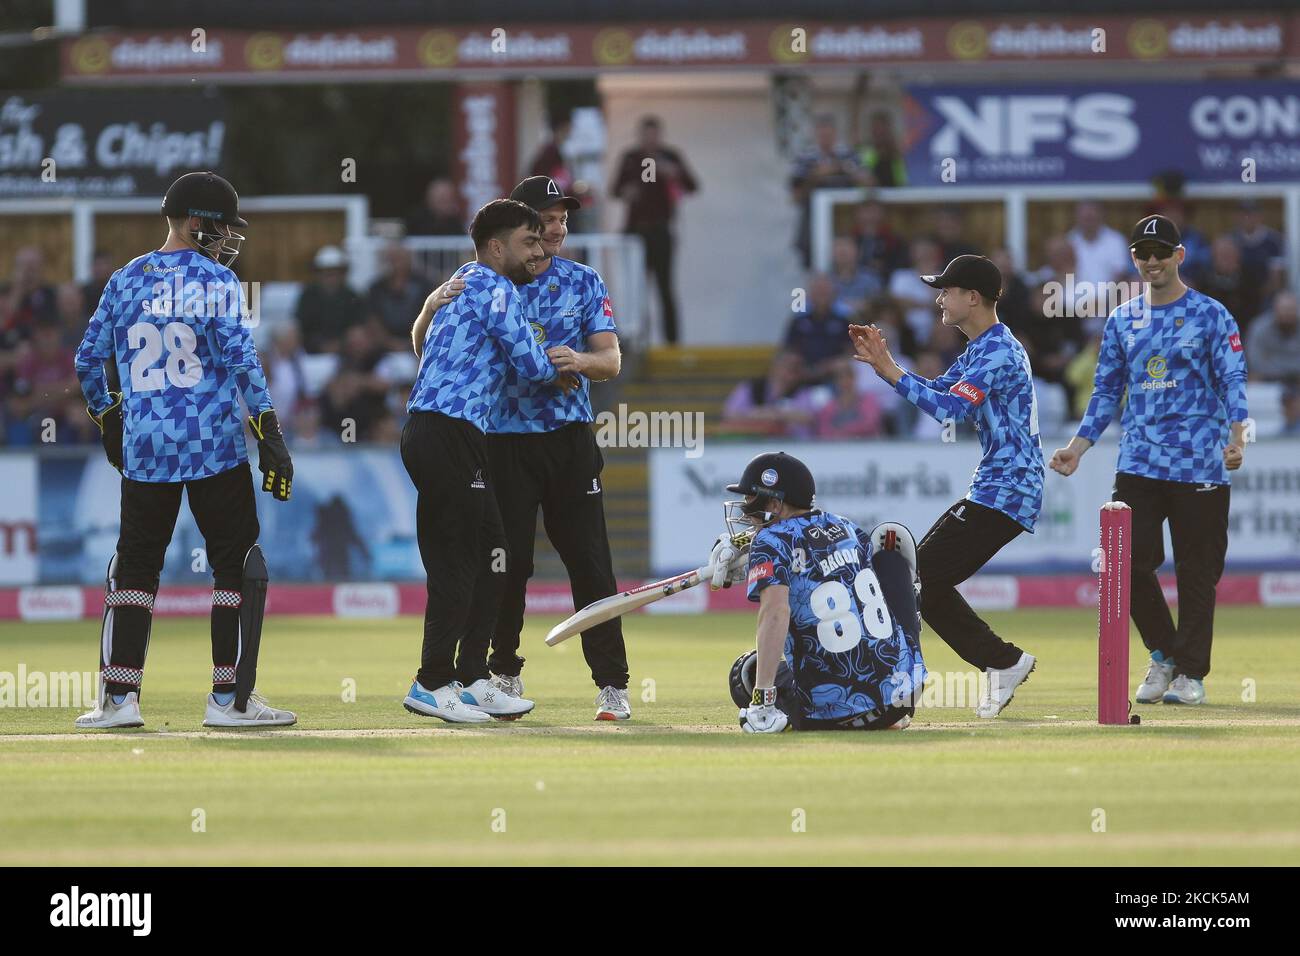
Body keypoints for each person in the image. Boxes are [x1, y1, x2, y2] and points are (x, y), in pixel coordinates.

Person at [71, 170, 296, 730]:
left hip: (145, 447)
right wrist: (270, 434)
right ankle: (229, 701)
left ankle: (119, 701)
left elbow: (85, 361)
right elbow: (244, 364)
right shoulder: (218, 282)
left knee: (136, 568)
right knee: (235, 565)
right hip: (212, 443)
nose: (226, 240)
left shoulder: (124, 279)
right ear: (197, 223)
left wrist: (109, 418)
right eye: (221, 228)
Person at [414, 177, 631, 720]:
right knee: (503, 563)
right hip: (500, 441)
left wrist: (576, 363)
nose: (554, 229)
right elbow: (427, 349)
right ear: (515, 231)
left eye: (561, 219)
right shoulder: (488, 279)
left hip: (567, 438)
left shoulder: (582, 280)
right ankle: (498, 672)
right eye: (543, 220)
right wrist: (425, 308)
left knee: (591, 563)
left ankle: (612, 684)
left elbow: (611, 361)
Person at [1050, 215, 1248, 707]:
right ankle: (1164, 655)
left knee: (1198, 573)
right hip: (1139, 463)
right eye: (1143, 253)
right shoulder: (1122, 319)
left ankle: (1190, 676)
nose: (1152, 261)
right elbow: (1106, 391)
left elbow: (1233, 380)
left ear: (1179, 256)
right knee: (1125, 564)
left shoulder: (1212, 315)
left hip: (1200, 465)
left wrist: (1238, 437)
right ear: (1134, 259)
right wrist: (1079, 446)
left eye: (1161, 252)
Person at [850, 254, 1042, 718]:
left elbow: (949, 412)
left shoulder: (996, 352)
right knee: (923, 581)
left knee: (920, 578)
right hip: (1000, 487)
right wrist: (888, 367)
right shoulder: (984, 348)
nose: (939, 298)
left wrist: (891, 371)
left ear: (971, 297)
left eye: (946, 290)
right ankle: (1002, 661)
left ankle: (1001, 662)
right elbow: (941, 393)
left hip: (1008, 489)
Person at [400, 199, 563, 724]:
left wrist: (427, 310)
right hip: (446, 432)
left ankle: (470, 677)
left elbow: (420, 344)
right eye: (528, 242)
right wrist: (566, 362)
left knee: (496, 552)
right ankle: (430, 681)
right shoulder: (494, 287)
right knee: (459, 563)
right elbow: (530, 363)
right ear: (497, 247)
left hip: (447, 431)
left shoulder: (463, 281)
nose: (538, 251)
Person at [713, 451, 924, 733]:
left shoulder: (770, 540)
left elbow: (775, 612)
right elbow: (809, 549)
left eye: (751, 499)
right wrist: (748, 548)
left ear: (775, 503)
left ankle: (773, 710)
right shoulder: (846, 526)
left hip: (834, 715)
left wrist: (762, 700)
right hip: (902, 696)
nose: (745, 509)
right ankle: (907, 663)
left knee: (745, 670)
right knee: (887, 557)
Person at [612, 116, 698, 345]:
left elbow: (692, 185)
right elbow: (615, 189)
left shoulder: (670, 156)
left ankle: (672, 343)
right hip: (636, 231)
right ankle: (637, 339)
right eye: (646, 135)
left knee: (665, 288)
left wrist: (673, 173)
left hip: (661, 229)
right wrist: (628, 191)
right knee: (635, 288)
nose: (650, 140)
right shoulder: (631, 158)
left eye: (654, 135)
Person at [789, 114, 867, 268]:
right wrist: (815, 177)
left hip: (845, 218)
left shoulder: (848, 154)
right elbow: (795, 196)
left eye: (828, 135)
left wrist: (844, 169)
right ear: (816, 135)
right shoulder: (805, 157)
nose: (825, 139)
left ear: (835, 134)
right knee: (814, 259)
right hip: (813, 218)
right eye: (822, 135)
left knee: (847, 257)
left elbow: (868, 181)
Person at [296, 245, 366, 354]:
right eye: (326, 272)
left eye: (335, 272)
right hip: (313, 350)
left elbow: (357, 326)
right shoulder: (308, 295)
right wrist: (321, 345)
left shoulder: (351, 295)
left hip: (347, 352)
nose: (331, 276)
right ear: (319, 274)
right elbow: (302, 327)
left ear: (343, 274)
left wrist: (341, 344)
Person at [1067, 201, 1131, 288]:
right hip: (1074, 296)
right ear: (1077, 217)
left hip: (1110, 296)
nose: (1088, 221)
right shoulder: (1069, 241)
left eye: (1091, 217)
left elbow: (1121, 274)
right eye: (1085, 218)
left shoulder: (1116, 240)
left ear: (1101, 215)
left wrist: (1105, 296)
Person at [1245, 289, 1300, 383]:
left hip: (1297, 381)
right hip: (1267, 380)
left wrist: (1274, 363)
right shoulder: (1259, 327)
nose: (1287, 314)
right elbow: (1255, 362)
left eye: (1290, 310)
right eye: (1283, 310)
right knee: (1253, 379)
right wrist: (1289, 371)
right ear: (1274, 310)